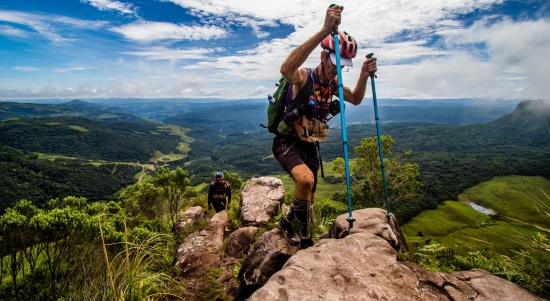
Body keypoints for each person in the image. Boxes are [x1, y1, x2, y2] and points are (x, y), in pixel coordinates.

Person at [273, 5, 377, 249]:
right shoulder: (305, 76)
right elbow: (286, 70)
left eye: (342, 65)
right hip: (288, 140)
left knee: (309, 195)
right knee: (306, 180)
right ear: (323, 57)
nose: (337, 69)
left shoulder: (334, 85)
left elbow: (357, 98)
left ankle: (286, 224)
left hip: (311, 145)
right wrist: (323, 31)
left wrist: (362, 74)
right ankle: (306, 243)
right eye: (334, 63)